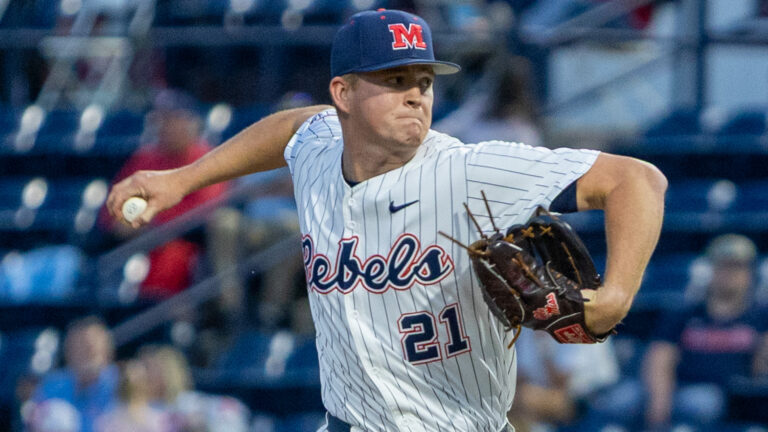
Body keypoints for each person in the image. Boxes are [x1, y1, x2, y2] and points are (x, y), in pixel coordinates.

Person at [107, 8, 667, 431]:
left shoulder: (470, 170)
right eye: (395, 81)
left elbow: (638, 181)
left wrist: (616, 296)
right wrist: (181, 180)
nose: (417, 97)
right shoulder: (322, 145)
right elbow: (291, 128)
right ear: (343, 94)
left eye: (423, 81)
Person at [102, 89, 229, 299]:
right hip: (141, 242)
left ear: (191, 124)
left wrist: (145, 219)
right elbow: (114, 205)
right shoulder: (146, 158)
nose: (163, 126)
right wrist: (125, 220)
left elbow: (203, 212)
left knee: (172, 259)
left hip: (187, 244)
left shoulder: (206, 159)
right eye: (160, 119)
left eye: (171, 119)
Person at [642, 234, 768, 430]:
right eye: (723, 266)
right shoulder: (685, 313)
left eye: (738, 267)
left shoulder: (760, 316)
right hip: (679, 387)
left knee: (703, 402)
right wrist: (659, 399)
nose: (730, 273)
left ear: (750, 272)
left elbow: (760, 371)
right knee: (621, 400)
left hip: (730, 398)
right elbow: (660, 356)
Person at [34, 316, 118, 432]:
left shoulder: (124, 384)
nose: (84, 354)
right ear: (67, 352)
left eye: (90, 348)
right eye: (77, 347)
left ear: (107, 351)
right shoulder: (52, 386)